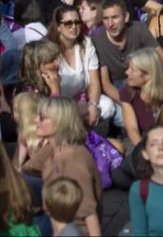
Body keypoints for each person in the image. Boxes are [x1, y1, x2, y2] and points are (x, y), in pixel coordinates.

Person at [21, 97, 102, 236]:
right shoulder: (53, 148)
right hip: (54, 218)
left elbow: (89, 213)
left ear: (60, 122)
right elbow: (26, 170)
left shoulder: (74, 158)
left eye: (42, 118)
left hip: (73, 229)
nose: (36, 120)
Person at [46, 5, 113, 124]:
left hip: (82, 97)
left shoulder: (86, 43)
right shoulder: (49, 49)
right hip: (58, 103)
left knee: (107, 106)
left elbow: (94, 81)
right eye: (68, 23)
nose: (74, 27)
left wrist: (92, 104)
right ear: (58, 27)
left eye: (77, 22)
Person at [119, 47, 163, 147]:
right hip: (145, 145)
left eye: (132, 70)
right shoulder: (128, 92)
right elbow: (132, 130)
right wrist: (145, 152)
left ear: (148, 75)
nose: (127, 72)